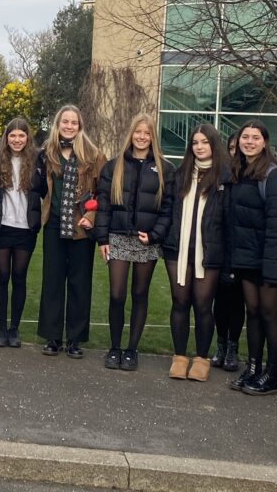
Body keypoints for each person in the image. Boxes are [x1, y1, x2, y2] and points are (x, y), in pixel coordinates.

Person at [95, 112, 175, 372]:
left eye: (147, 133)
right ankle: (115, 347)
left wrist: (155, 235)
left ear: (153, 137)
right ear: (131, 134)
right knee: (117, 294)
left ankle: (131, 350)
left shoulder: (165, 169)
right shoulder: (113, 165)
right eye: (138, 132)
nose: (142, 137)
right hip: (117, 237)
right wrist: (102, 238)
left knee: (140, 294)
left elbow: (167, 210)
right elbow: (104, 206)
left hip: (146, 242)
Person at [227, 119, 277, 396]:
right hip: (247, 258)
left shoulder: (274, 175)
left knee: (269, 315)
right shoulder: (240, 171)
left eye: (255, 137)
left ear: (265, 142)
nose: (249, 141)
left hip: (269, 261)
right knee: (252, 314)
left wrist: (273, 269)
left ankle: (272, 375)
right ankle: (253, 368)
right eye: (245, 137)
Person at [37, 105, 106, 359]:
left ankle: (75, 339)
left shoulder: (94, 155)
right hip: (54, 225)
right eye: (64, 122)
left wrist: (92, 216)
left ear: (80, 126)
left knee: (79, 284)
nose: (68, 126)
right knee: (52, 282)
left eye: (73, 122)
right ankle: (52, 337)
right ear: (58, 124)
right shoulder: (48, 153)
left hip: (81, 228)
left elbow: (103, 193)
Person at [163, 124, 229, 381]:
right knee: (180, 302)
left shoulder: (225, 176)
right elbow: (168, 210)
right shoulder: (180, 175)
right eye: (195, 143)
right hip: (177, 249)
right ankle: (179, 357)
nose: (200, 147)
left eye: (205, 142)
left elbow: (227, 218)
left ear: (213, 144)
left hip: (209, 251)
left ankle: (201, 359)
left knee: (203, 305)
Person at [0, 117, 44, 348]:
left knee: (19, 277)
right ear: (6, 138)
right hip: (1, 226)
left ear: (27, 138)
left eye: (21, 135)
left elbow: (45, 189)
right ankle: (1, 329)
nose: (17, 140)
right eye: (13, 135)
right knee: (2, 276)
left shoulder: (38, 160)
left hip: (25, 228)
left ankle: (14, 329)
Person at [210, 132, 245, 372]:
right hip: (219, 248)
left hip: (242, 249)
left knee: (237, 302)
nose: (235, 152)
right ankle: (221, 344)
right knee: (220, 302)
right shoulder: (221, 175)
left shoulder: (252, 177)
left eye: (237, 147)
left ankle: (233, 345)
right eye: (231, 147)